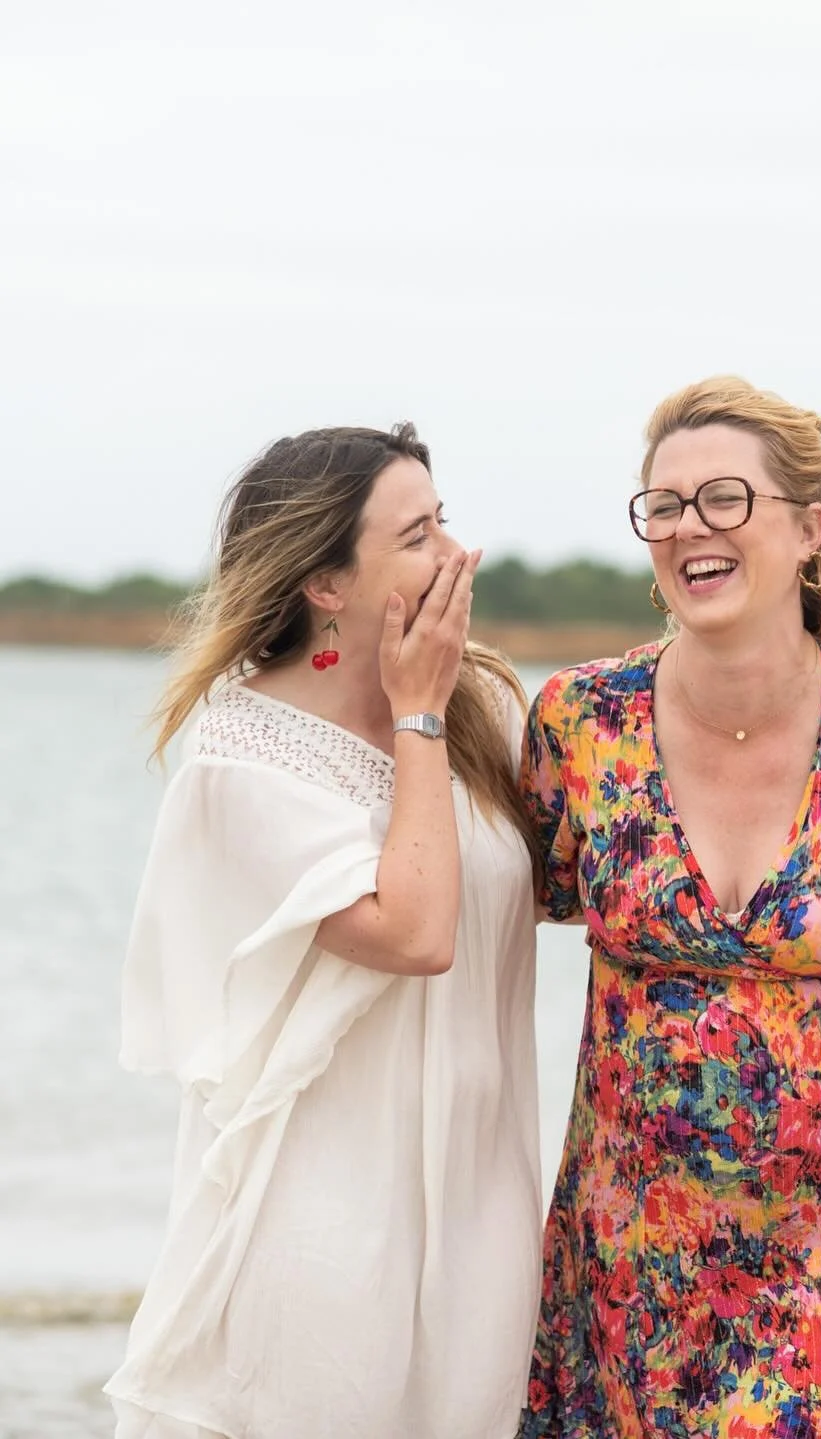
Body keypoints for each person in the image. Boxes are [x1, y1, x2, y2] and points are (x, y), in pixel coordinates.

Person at [518, 377, 821, 1437]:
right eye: (663, 504)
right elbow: (504, 904)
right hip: (636, 1243)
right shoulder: (580, 719)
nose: (688, 528)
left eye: (724, 498)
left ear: (809, 528)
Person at [104, 424, 543, 1439]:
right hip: (325, 1233)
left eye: (446, 520)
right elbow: (415, 929)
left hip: (480, 1214)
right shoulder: (243, 759)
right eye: (420, 533)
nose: (457, 555)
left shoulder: (483, 706)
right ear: (327, 585)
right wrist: (418, 714)